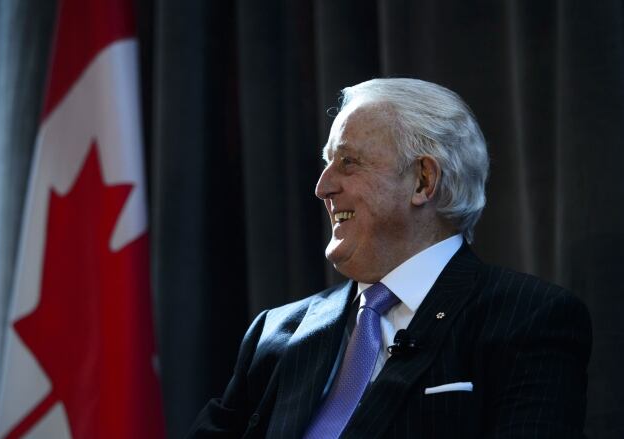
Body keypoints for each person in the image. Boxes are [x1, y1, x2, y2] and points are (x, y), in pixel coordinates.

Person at [187, 78, 592, 438]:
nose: (322, 186)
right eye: (327, 162)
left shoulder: (529, 318)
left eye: (348, 162)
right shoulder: (277, 330)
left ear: (423, 180)